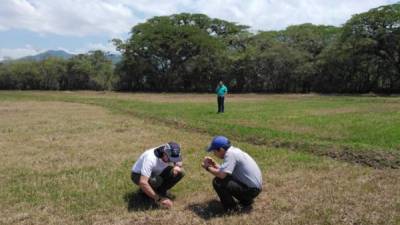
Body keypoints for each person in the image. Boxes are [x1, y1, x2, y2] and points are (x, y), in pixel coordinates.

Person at [202, 136, 262, 212]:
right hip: (254, 189)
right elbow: (226, 171)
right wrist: (215, 165)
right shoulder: (234, 151)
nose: (214, 154)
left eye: (214, 151)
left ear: (221, 149)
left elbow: (222, 175)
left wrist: (208, 168)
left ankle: (232, 209)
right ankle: (246, 201)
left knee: (218, 181)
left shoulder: (230, 154)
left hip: (251, 191)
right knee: (225, 177)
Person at [131, 142, 184, 209]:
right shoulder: (150, 158)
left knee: (180, 173)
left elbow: (179, 159)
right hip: (138, 174)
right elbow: (143, 182)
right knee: (156, 181)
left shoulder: (173, 150)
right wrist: (159, 199)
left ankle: (160, 192)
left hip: (156, 171)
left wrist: (177, 165)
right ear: (164, 153)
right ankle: (146, 194)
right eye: (170, 158)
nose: (171, 161)